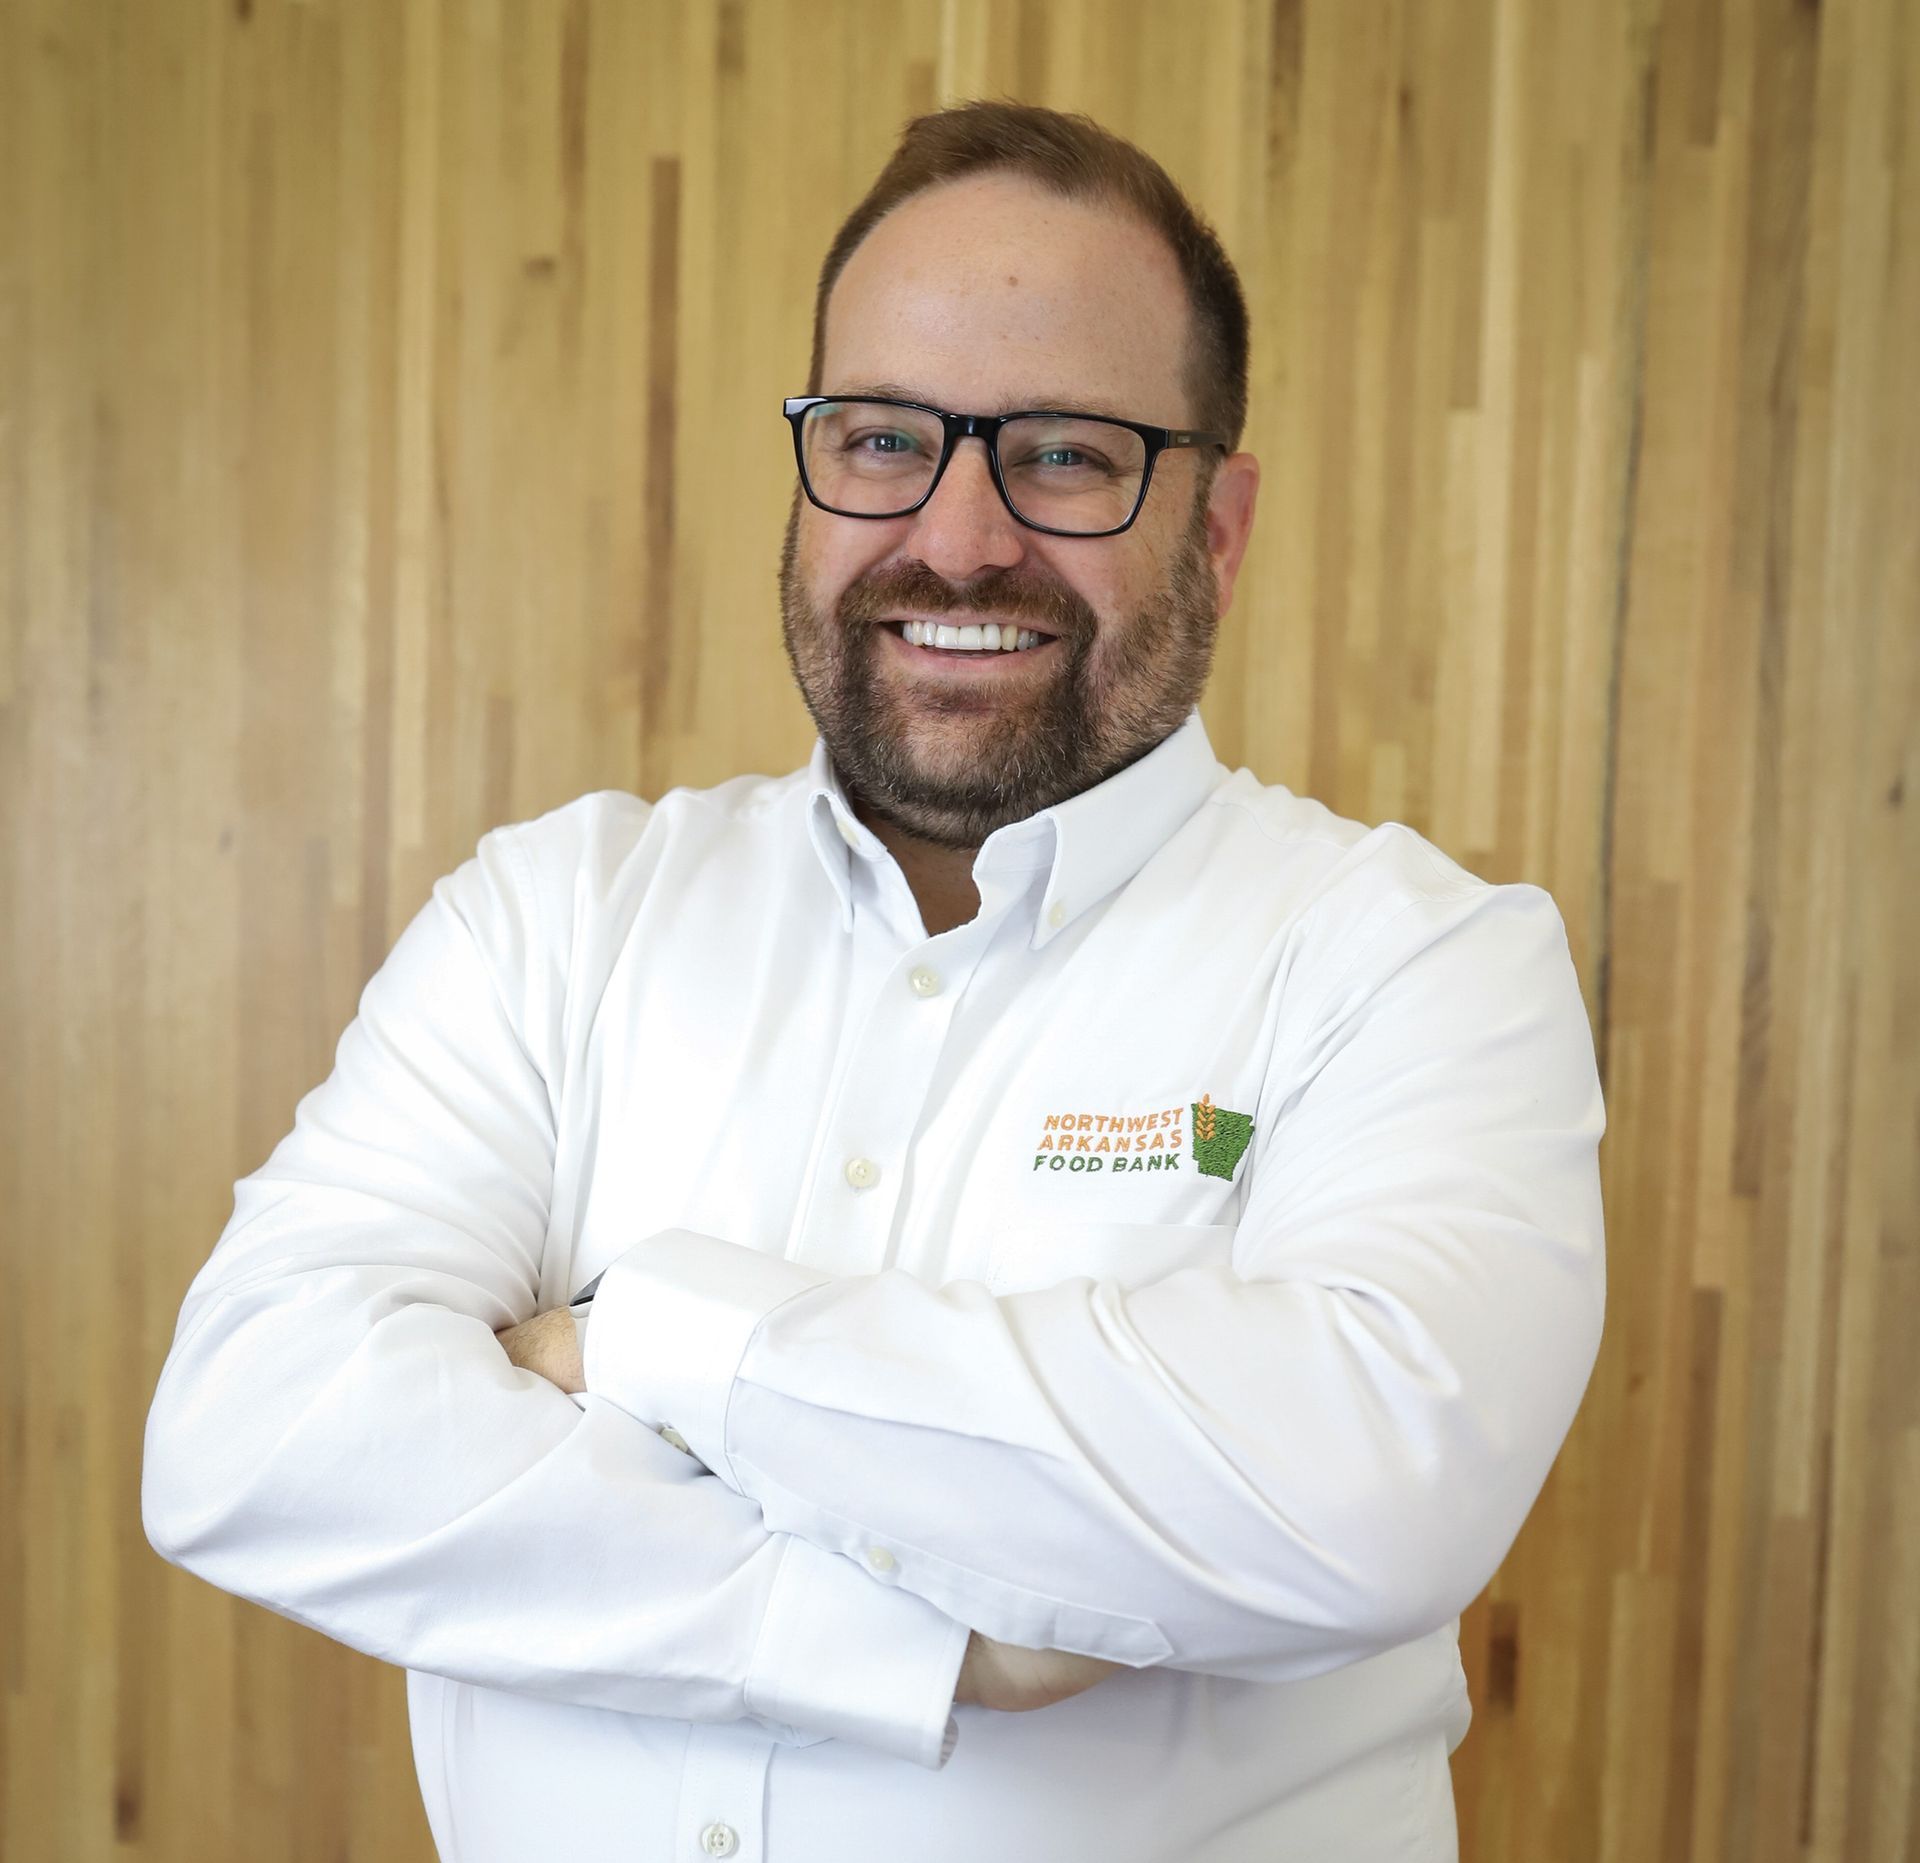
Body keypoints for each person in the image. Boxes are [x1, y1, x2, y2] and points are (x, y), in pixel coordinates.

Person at [142, 100, 1606, 1863]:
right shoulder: (552, 918)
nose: (961, 537)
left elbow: (1357, 1498)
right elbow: (254, 1434)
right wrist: (922, 1634)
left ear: (1216, 526)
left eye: (1064, 454)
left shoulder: (1421, 966)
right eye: (886, 437)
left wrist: (643, 1345)